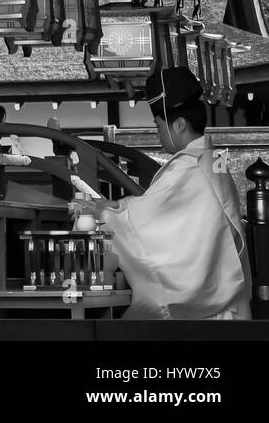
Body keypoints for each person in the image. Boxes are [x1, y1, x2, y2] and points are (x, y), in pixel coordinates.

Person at [70, 67, 252, 320]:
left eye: (158, 125)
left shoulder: (188, 167)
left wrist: (104, 212)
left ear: (178, 124)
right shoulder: (212, 161)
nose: (157, 132)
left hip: (206, 313)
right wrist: (117, 208)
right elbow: (161, 213)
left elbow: (146, 225)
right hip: (223, 299)